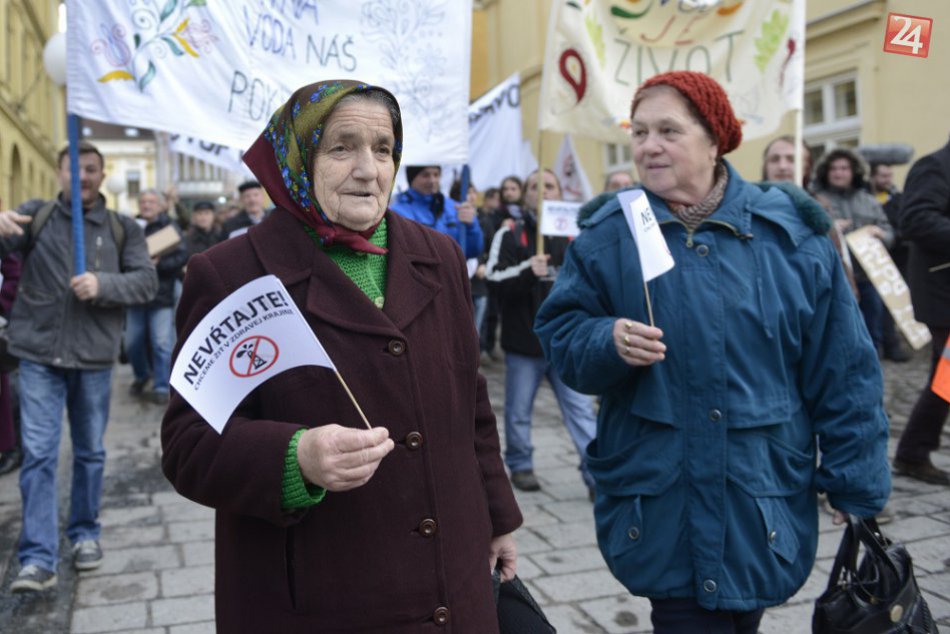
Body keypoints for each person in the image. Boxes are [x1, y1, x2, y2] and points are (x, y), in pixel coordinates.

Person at [161, 79, 522, 632]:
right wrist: (295, 457)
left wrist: (499, 519)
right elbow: (188, 444)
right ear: (297, 157)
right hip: (321, 598)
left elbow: (471, 401)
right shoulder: (231, 274)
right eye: (341, 147)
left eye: (384, 150)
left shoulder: (440, 255)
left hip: (455, 586)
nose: (368, 169)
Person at [534, 71, 890, 632]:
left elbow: (844, 370)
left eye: (669, 130)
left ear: (714, 139)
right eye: (641, 131)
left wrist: (856, 477)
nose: (649, 145)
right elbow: (561, 335)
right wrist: (607, 340)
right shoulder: (610, 233)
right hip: (658, 497)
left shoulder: (792, 238)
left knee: (743, 615)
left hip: (759, 492)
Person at [0, 141, 157, 592]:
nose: (83, 177)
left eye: (91, 170)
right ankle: (37, 558)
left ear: (101, 176)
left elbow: (145, 281)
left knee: (89, 453)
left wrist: (102, 284)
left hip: (92, 358)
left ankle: (85, 534)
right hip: (37, 355)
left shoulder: (122, 227)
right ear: (60, 173)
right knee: (40, 454)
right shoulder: (37, 216)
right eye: (75, 169)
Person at [486, 168, 597, 497]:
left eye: (549, 185)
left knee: (580, 412)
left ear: (560, 193)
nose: (543, 191)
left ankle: (595, 477)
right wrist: (526, 271)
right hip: (524, 343)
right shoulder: (510, 232)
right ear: (525, 194)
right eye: (535, 186)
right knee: (519, 411)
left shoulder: (578, 234)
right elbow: (493, 279)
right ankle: (520, 465)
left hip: (566, 344)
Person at [894, 136, 950, 486]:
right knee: (946, 378)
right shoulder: (934, 166)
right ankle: (912, 451)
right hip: (942, 292)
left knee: (945, 378)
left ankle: (913, 451)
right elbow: (914, 220)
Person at [812, 148, 895, 357]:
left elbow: (891, 235)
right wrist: (829, 229)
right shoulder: (815, 200)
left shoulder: (869, 200)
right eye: (834, 168)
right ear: (826, 172)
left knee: (873, 331)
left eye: (844, 168)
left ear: (854, 171)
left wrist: (882, 235)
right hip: (834, 279)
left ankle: (875, 374)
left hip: (869, 278)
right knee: (840, 333)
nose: (839, 173)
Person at [125, 189, 188, 404]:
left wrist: (159, 265)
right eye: (143, 201)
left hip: (161, 294)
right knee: (132, 343)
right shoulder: (132, 226)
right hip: (135, 294)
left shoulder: (170, 227)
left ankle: (162, 385)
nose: (146, 205)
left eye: (151, 202)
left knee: (161, 342)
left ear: (160, 205)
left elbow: (182, 255)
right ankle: (142, 376)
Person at [390, 165, 484, 259]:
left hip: (451, 272)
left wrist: (472, 226)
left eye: (436, 175)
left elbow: (473, 250)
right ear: (412, 178)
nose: (432, 180)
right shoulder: (397, 212)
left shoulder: (455, 207)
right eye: (425, 175)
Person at [868, 161, 911, 362]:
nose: (887, 180)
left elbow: (906, 225)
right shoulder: (866, 199)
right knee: (874, 306)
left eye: (889, 176)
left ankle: (891, 344)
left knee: (891, 305)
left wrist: (894, 236)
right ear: (873, 177)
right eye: (883, 176)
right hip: (870, 260)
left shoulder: (899, 199)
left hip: (896, 259)